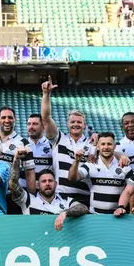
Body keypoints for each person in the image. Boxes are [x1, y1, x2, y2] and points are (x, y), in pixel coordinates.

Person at [40, 76, 99, 206]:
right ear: (67, 124)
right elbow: (45, 118)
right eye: (72, 122)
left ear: (84, 125)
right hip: (61, 197)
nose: (75, 124)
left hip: (85, 198)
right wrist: (46, 94)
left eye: (79, 122)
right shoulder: (59, 138)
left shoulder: (91, 144)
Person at [0, 105, 37, 209]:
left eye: (10, 117)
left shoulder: (23, 143)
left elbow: (30, 174)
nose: (7, 120)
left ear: (15, 120)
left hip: (12, 197)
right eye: (3, 117)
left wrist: (32, 200)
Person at [8, 147, 87, 219]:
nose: (47, 183)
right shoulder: (28, 200)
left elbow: (83, 208)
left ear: (56, 184)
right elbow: (13, 184)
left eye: (50, 181)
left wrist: (65, 213)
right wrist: (16, 159)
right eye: (43, 181)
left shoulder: (65, 201)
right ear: (38, 185)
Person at [68, 132, 133, 214]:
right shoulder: (90, 164)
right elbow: (72, 178)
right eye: (103, 144)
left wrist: (131, 211)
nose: (106, 147)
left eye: (109, 144)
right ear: (98, 146)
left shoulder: (124, 166)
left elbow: (132, 190)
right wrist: (76, 161)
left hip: (118, 217)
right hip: (95, 216)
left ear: (115, 146)